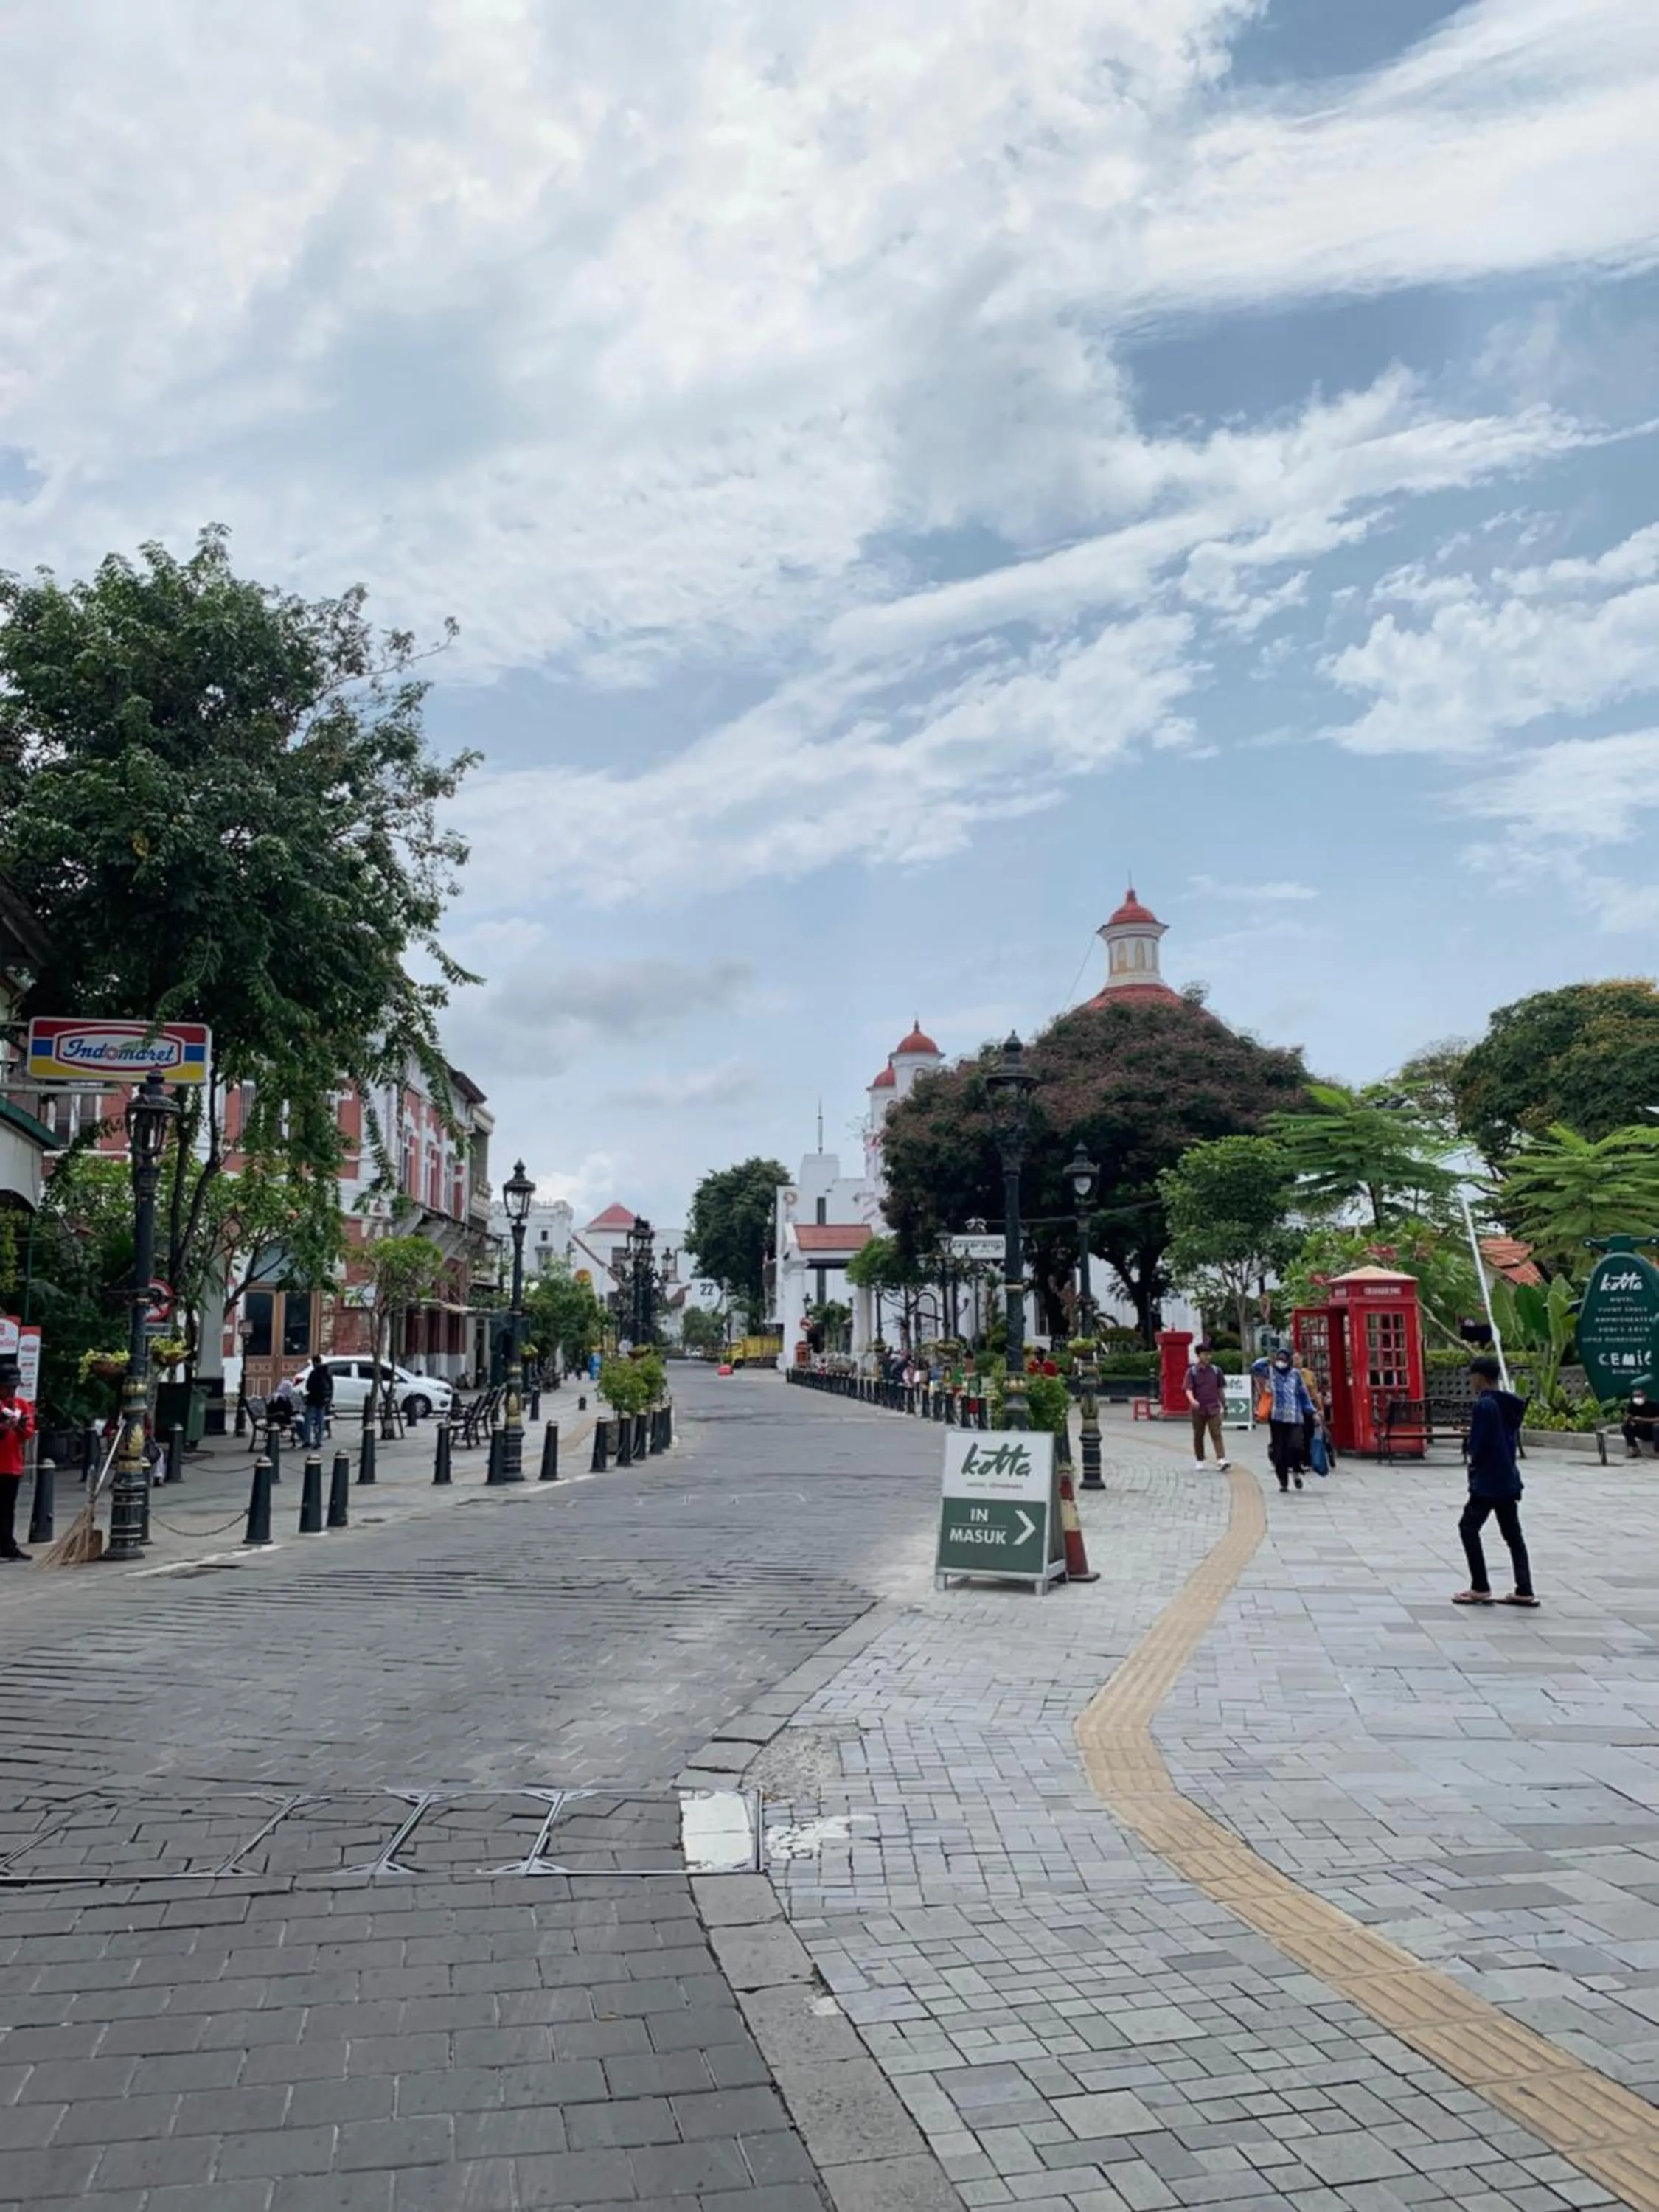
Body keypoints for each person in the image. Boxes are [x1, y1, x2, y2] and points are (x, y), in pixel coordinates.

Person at [1455, 1354, 1536, 1607]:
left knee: (1468, 1528)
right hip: (1508, 1478)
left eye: (1472, 1376)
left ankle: (1480, 1586)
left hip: (1488, 1479)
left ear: (1480, 1377)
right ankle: (1525, 1589)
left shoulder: (1485, 1405)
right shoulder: (1508, 1404)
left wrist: (1473, 1456)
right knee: (1513, 1535)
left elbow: (1479, 1445)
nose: (1471, 1381)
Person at [1252, 1348, 1315, 1492]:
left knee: (1296, 1446)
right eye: (1279, 1360)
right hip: (1277, 1417)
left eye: (1284, 1360)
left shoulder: (1296, 1375)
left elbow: (1303, 1394)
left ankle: (1296, 1471)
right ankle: (1283, 1481)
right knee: (1279, 1451)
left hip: (1295, 1416)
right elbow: (1255, 1367)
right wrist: (1268, 1360)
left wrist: (1312, 1411)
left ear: (1289, 1361)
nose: (1282, 1363)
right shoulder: (1271, 1372)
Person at [0, 1359, 37, 1562]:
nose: (12, 1391)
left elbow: (28, 1433)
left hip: (11, 1464)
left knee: (7, 1508)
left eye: (14, 1387)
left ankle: (7, 1545)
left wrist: (18, 1425)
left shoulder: (21, 1405)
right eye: (8, 1387)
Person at [1183, 1343, 1230, 1472]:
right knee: (1199, 1434)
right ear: (1198, 1356)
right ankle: (1199, 1459)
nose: (1208, 1357)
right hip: (1198, 1409)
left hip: (1213, 1407)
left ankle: (1221, 1459)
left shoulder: (1216, 1371)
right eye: (1205, 1354)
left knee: (1216, 1433)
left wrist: (1225, 1405)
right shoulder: (1191, 1372)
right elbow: (1188, 1389)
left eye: (1210, 1354)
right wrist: (1192, 1401)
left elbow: (1220, 1389)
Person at [301, 1357, 333, 1450]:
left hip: (312, 1400)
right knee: (320, 1421)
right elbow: (331, 1387)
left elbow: (308, 1387)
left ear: (314, 1363)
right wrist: (329, 1399)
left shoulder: (314, 1373)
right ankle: (318, 1441)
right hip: (322, 1401)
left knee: (308, 1421)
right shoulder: (327, 1372)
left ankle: (307, 1440)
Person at [1623, 1385, 1659, 1458]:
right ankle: (1635, 1450)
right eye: (1635, 1396)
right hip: (1641, 1430)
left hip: (1652, 1431)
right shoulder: (1632, 1406)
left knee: (1657, 1427)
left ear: (1645, 1396)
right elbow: (1627, 1416)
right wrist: (1627, 1419)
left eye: (1639, 1396)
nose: (1637, 1398)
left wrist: (1643, 1419)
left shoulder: (1654, 1405)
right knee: (1625, 1427)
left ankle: (1657, 1452)